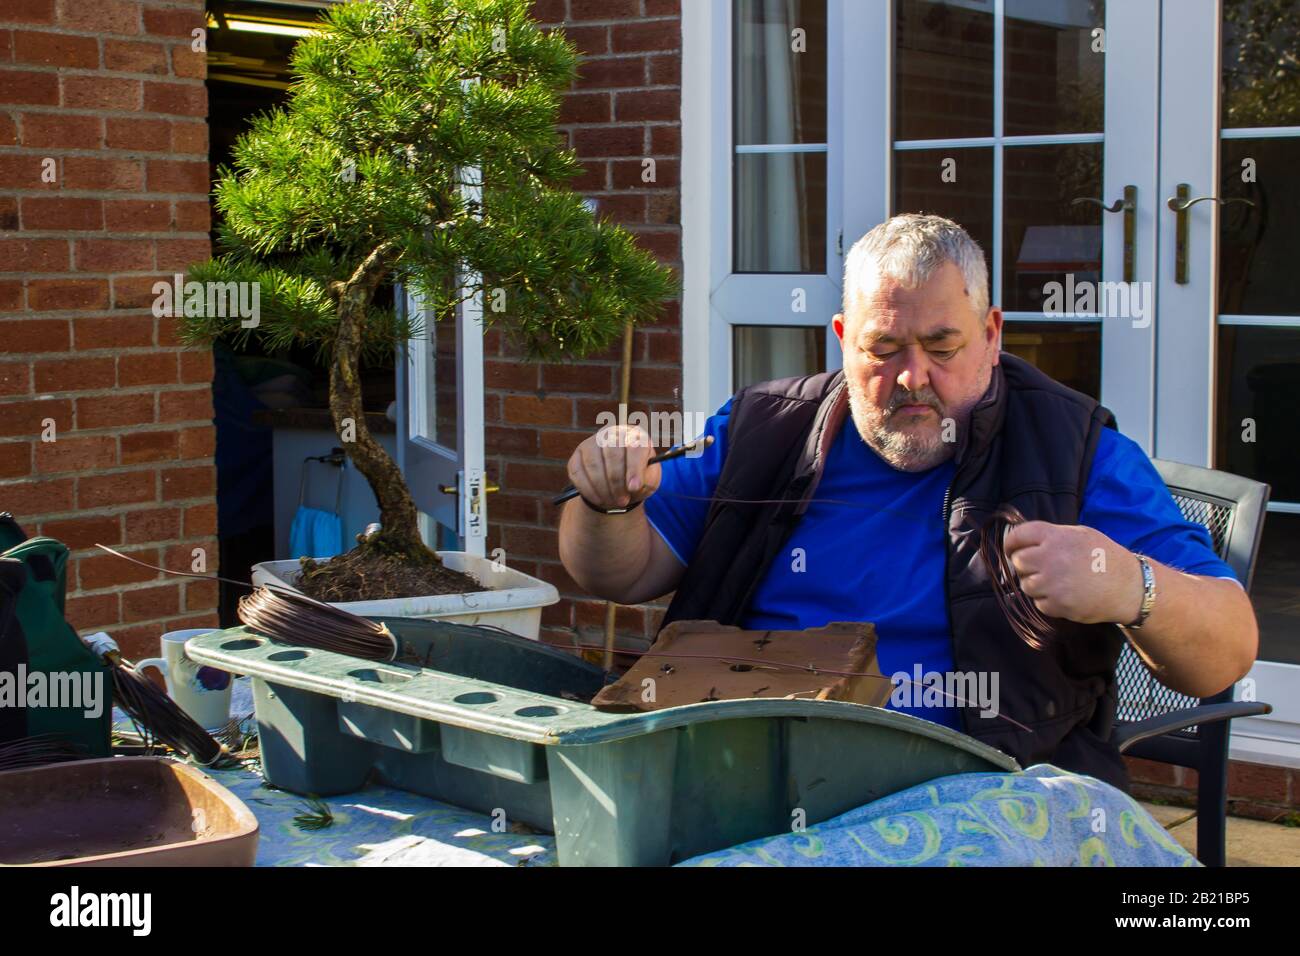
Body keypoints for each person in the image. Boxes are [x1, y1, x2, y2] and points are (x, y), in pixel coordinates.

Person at [557, 214, 1258, 791]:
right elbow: (616, 574)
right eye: (883, 347)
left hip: (977, 787)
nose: (911, 376)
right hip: (745, 770)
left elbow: (1226, 651)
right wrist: (607, 503)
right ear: (841, 340)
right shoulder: (760, 429)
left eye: (941, 345)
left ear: (991, 334)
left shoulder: (1074, 451)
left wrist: (1128, 585)